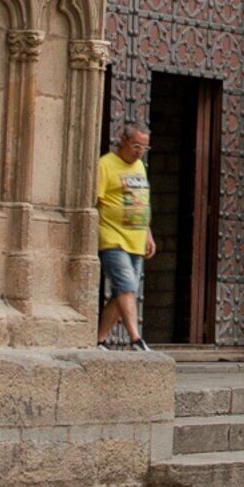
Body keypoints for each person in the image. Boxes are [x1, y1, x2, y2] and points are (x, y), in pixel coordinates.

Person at [93, 124, 153, 351]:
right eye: (137, 145)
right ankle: (136, 339)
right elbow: (96, 202)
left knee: (124, 293)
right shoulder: (105, 165)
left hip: (136, 240)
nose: (140, 151)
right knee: (126, 286)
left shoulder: (139, 167)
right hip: (113, 237)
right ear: (124, 141)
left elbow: (142, 202)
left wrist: (148, 234)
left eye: (145, 147)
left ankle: (99, 340)